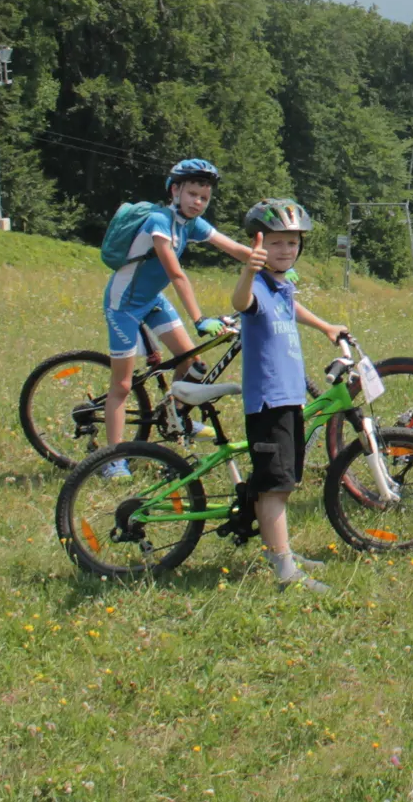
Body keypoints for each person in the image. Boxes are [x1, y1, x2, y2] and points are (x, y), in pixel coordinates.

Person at [99, 158, 253, 476]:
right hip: (123, 305)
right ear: (175, 190)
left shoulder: (191, 224)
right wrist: (198, 319)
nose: (198, 202)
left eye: (205, 197)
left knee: (193, 364)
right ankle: (111, 460)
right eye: (193, 194)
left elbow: (236, 249)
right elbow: (177, 274)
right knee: (123, 385)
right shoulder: (159, 222)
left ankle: (174, 416)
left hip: (152, 300)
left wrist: (275, 263)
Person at [229, 198, 349, 594]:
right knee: (276, 486)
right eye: (276, 243)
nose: (285, 250)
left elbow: (292, 307)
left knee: (280, 481)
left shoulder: (281, 286)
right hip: (269, 402)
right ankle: (283, 568)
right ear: (259, 246)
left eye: (292, 243)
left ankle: (278, 550)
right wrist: (248, 272)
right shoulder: (258, 286)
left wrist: (325, 326)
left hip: (288, 399)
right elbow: (240, 303)